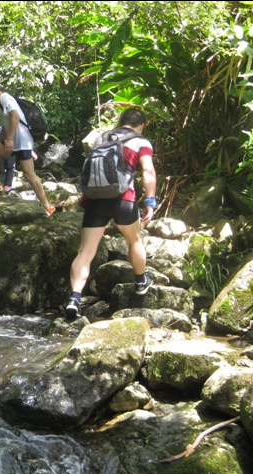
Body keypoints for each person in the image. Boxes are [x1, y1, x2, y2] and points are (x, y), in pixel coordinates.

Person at [65, 108, 157, 318]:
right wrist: (150, 201)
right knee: (134, 240)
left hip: (96, 201)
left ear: (120, 122)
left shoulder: (102, 139)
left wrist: (84, 198)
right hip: (123, 199)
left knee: (85, 252)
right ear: (140, 125)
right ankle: (141, 280)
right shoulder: (141, 141)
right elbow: (148, 171)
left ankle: (74, 298)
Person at [0, 79, 55, 215]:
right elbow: (5, 126)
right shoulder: (2, 102)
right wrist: (0, 140)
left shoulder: (5, 97)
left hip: (21, 142)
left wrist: (8, 139)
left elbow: (15, 116)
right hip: (15, 141)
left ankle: (46, 206)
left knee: (29, 175)